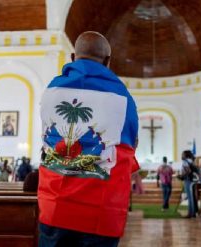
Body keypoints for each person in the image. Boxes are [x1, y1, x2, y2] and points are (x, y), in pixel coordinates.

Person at [38, 31, 139, 247]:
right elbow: (130, 145)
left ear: (73, 57)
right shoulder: (122, 98)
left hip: (56, 204)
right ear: (108, 61)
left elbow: (48, 135)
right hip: (99, 210)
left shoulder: (51, 91)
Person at [180, 150, 199, 218]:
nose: (181, 155)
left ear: (185, 155)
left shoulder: (185, 161)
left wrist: (182, 176)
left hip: (188, 179)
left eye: (182, 154)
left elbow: (188, 170)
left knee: (190, 197)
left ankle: (191, 213)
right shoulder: (191, 161)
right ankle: (194, 212)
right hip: (192, 180)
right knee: (192, 197)